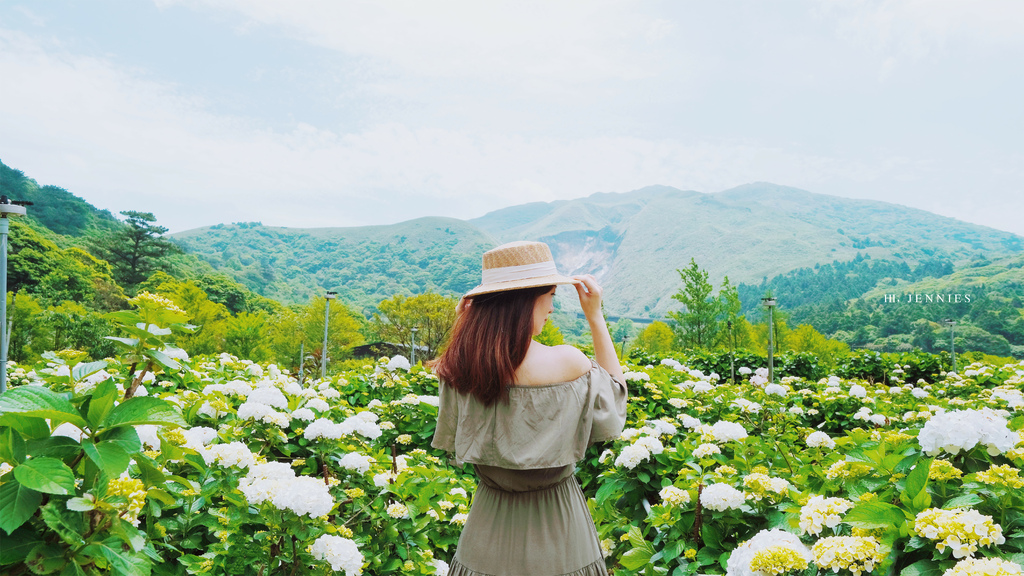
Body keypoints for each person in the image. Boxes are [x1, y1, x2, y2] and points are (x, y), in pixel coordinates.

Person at [431, 240, 628, 576]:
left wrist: (464, 325)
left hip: (486, 532)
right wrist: (595, 316)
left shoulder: (459, 369)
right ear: (527, 301)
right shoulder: (567, 362)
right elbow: (615, 406)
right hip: (561, 532)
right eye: (550, 295)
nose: (552, 307)